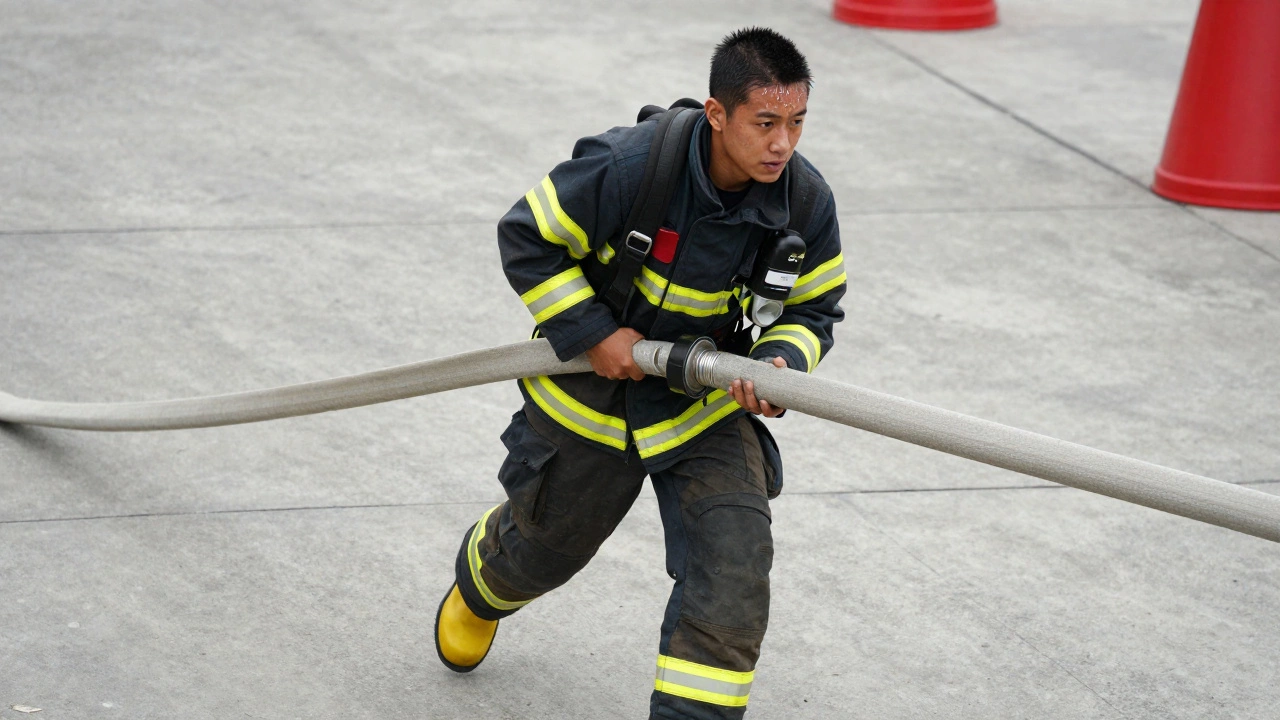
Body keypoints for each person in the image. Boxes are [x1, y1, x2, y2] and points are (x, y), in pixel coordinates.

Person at [435, 27, 846, 719]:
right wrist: (595, 333)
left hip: (704, 407)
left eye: (797, 123)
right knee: (544, 551)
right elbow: (526, 235)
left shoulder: (803, 203)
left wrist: (780, 365)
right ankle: (482, 582)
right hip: (590, 401)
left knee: (735, 567)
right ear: (719, 115)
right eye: (766, 123)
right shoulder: (629, 168)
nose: (783, 144)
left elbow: (814, 309)